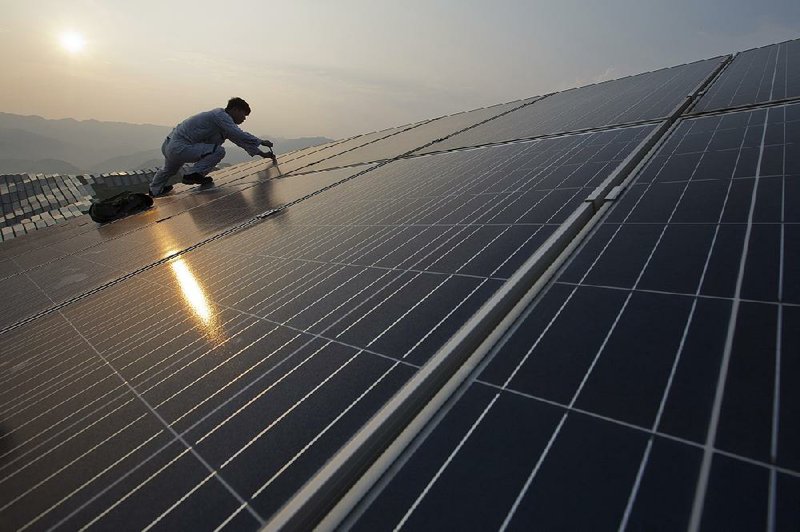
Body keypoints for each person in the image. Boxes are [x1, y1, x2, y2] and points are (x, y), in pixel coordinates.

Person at [149, 97, 277, 197]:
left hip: (172, 145)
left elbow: (240, 141)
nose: (244, 119)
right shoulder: (220, 116)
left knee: (168, 170)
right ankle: (193, 174)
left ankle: (155, 190)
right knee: (218, 151)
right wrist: (260, 141)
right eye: (244, 115)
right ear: (236, 109)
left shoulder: (223, 124)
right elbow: (238, 133)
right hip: (180, 147)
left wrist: (262, 154)